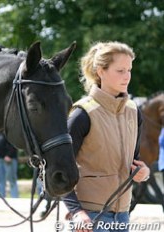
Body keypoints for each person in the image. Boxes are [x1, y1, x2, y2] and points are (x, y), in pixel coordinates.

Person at [62, 41, 150, 232]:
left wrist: (142, 172)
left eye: (129, 70)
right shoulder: (81, 114)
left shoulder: (134, 112)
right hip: (88, 217)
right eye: (120, 70)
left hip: (123, 216)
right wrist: (76, 212)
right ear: (101, 71)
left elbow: (134, 161)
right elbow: (60, 171)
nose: (127, 76)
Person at [0, 131, 19, 198]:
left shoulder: (10, 132)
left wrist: (9, 155)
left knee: (12, 180)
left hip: (10, 159)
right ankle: (0, 198)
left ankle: (15, 198)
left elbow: (14, 145)